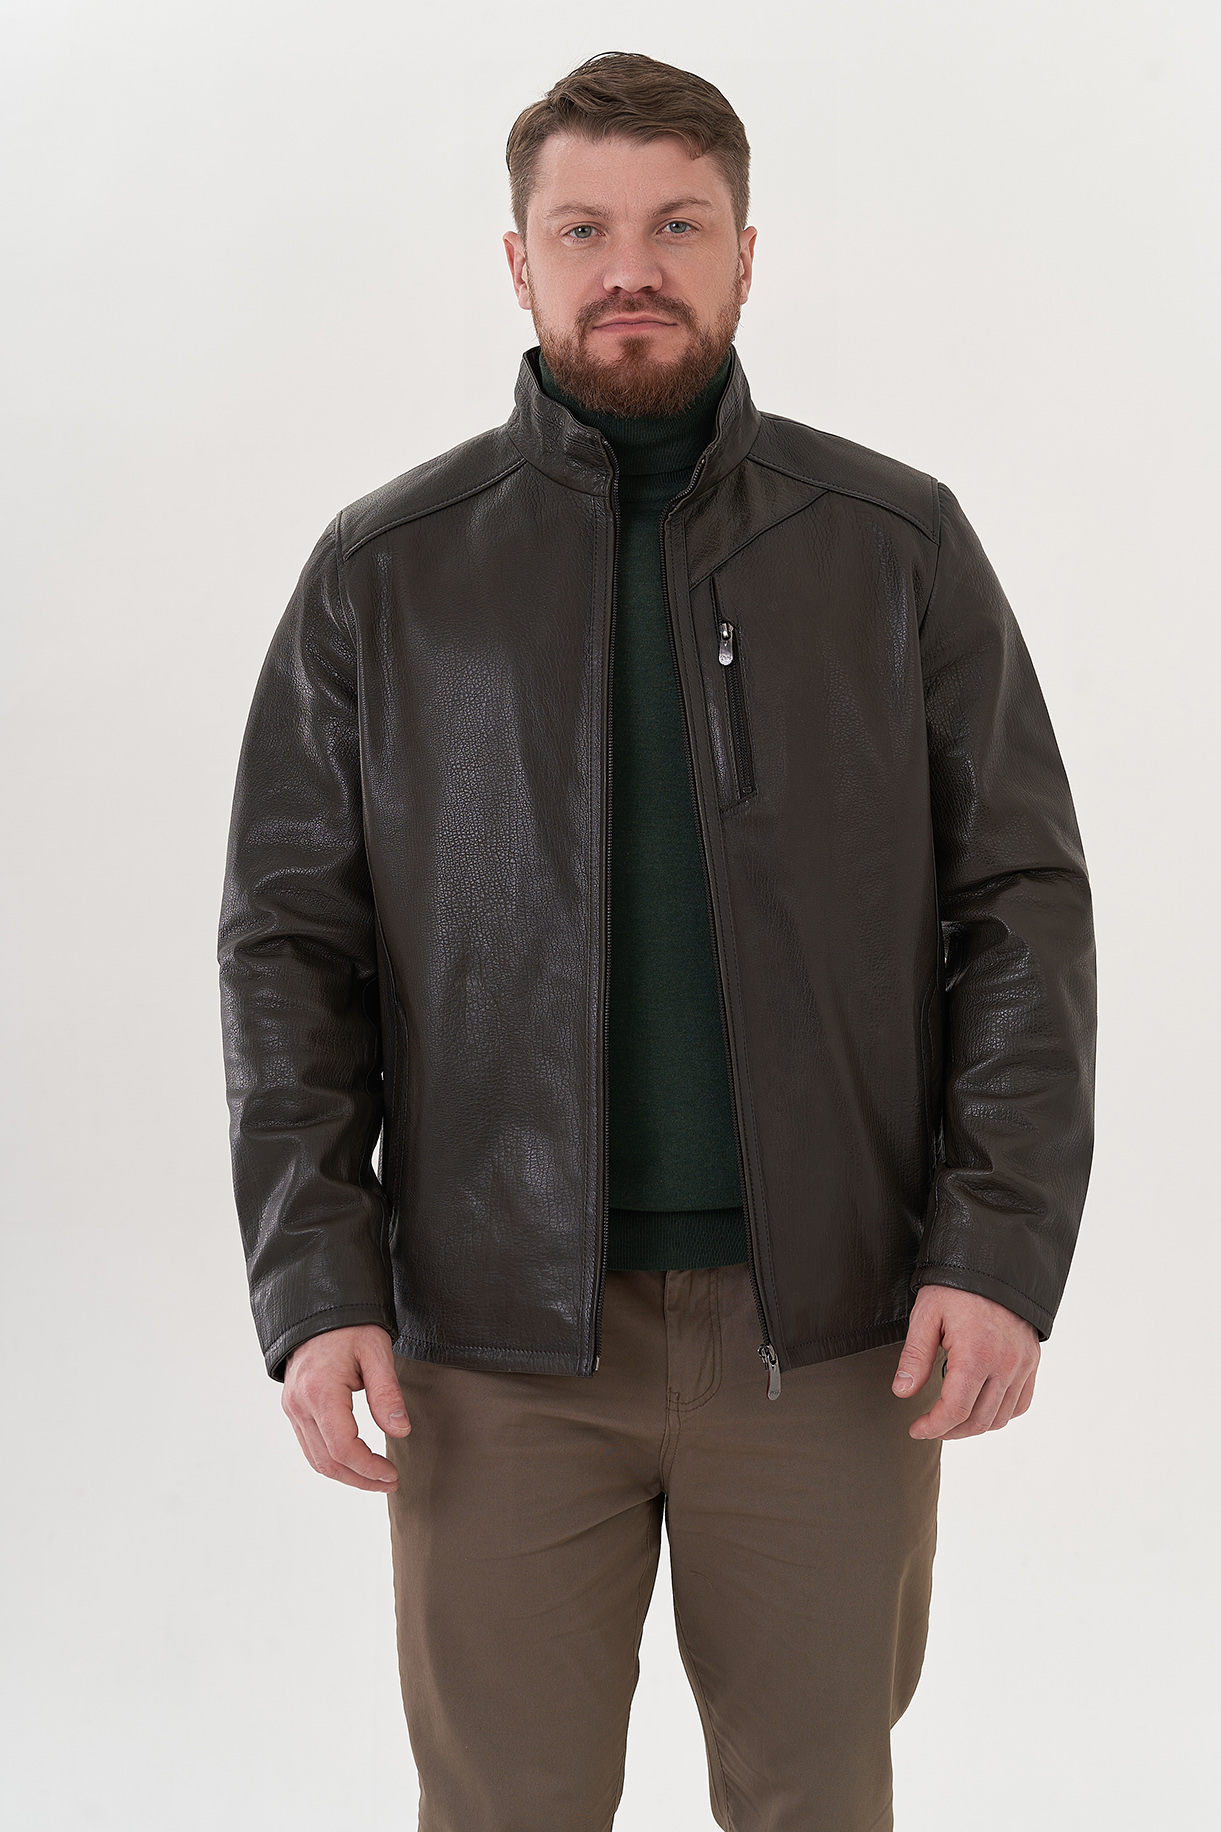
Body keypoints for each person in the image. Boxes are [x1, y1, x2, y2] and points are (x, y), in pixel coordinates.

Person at [218, 50, 1096, 1832]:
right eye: (585, 230)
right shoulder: (385, 570)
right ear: (518, 261)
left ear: (745, 254)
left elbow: (1019, 906)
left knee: (815, 1801)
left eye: (678, 226)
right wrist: (317, 1287)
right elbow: (288, 952)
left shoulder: (895, 545)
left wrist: (998, 1246)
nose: (632, 267)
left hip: (833, 1334)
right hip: (490, 1350)